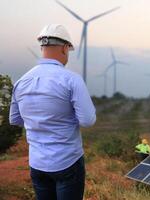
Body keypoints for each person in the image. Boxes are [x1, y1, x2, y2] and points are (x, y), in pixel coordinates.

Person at [9, 24, 96, 200]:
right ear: (65, 48)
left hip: (37, 164)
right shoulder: (71, 79)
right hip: (67, 162)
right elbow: (87, 120)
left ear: (42, 47)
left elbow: (14, 119)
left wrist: (37, 120)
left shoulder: (21, 81)